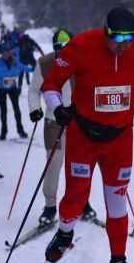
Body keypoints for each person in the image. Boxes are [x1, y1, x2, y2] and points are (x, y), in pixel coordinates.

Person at [41, 7, 134, 263]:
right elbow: (51, 84)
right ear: (105, 32)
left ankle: (119, 261)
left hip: (119, 140)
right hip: (83, 136)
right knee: (76, 195)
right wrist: (58, 109)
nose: (124, 45)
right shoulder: (80, 46)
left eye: (129, 38)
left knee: (117, 199)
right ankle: (64, 234)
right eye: (117, 38)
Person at [27, 29, 95, 225]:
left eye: (67, 47)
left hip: (79, 123)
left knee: (81, 167)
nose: (63, 51)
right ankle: (50, 206)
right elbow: (34, 91)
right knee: (54, 163)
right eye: (59, 48)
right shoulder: (45, 63)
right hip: (54, 121)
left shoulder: (84, 60)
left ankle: (82, 202)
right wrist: (35, 109)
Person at [0, 42, 32, 139]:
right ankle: (3, 132)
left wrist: (36, 68)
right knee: (3, 111)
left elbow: (24, 68)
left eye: (7, 52)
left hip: (12, 88)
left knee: (16, 109)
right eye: (3, 53)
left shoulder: (15, 61)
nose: (5, 55)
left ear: (9, 52)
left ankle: (20, 130)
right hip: (0, 89)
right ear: (0, 54)